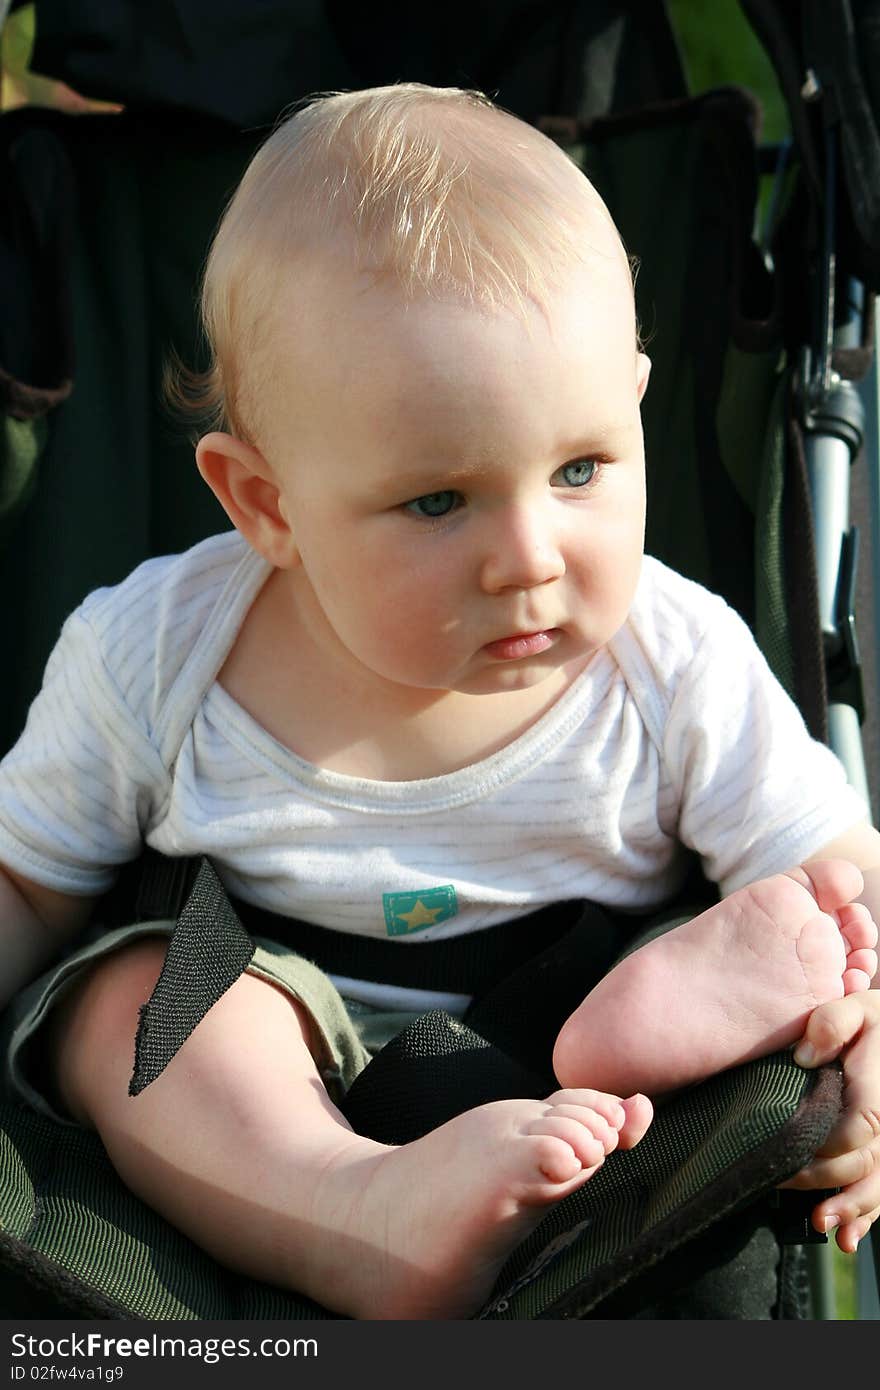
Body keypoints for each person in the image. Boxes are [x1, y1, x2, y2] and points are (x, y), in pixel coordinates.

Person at [0, 83, 878, 1321]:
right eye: (436, 502)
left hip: (599, 1058)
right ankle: (357, 1208)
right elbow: (28, 884)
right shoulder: (153, 657)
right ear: (264, 506)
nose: (529, 554)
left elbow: (841, 867)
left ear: (635, 401)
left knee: (794, 921)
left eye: (579, 468)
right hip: (269, 1015)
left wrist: (860, 1041)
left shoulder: (669, 657)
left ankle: (648, 1017)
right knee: (120, 1008)